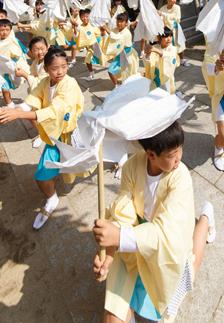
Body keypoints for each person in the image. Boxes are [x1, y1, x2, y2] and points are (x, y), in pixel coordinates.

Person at [92, 121, 215, 323]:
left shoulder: (181, 176)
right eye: (171, 154)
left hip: (167, 243)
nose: (179, 158)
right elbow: (123, 212)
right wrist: (109, 253)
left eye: (180, 149)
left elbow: (166, 232)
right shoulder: (132, 165)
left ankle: (206, 217)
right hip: (135, 244)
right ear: (151, 155)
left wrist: (119, 237)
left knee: (191, 263)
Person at [0, 47, 85, 229]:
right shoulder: (45, 82)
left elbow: (56, 111)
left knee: (81, 163)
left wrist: (17, 115)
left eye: (64, 66)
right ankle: (52, 199)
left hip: (67, 132)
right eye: (54, 68)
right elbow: (31, 102)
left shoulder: (70, 84)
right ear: (46, 69)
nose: (60, 72)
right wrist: (15, 111)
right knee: (49, 173)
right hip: (56, 135)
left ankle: (119, 159)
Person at [14, 36, 49, 149]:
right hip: (39, 93)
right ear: (31, 51)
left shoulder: (48, 62)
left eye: (42, 48)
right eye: (35, 49)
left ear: (47, 47)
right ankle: (42, 133)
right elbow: (33, 75)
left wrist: (24, 74)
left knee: (35, 115)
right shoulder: (36, 62)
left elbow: (41, 82)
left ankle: (46, 134)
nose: (39, 52)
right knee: (33, 116)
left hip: (48, 93)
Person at [0, 19, 29, 107]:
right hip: (3, 69)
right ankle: (9, 104)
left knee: (28, 80)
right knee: (5, 89)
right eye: (2, 30)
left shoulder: (10, 40)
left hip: (15, 66)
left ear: (10, 30)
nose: (5, 32)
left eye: (7, 30)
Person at [102, 11, 139, 88]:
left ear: (126, 23)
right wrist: (103, 31)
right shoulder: (115, 30)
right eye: (118, 21)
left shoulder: (127, 32)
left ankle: (143, 75)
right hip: (120, 54)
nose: (119, 23)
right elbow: (109, 38)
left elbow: (117, 39)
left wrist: (106, 29)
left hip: (128, 55)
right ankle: (117, 85)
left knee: (130, 73)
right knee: (111, 71)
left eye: (121, 22)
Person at [71, 8, 106, 81]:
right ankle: (91, 72)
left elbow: (87, 32)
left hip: (100, 43)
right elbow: (77, 36)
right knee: (88, 60)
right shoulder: (81, 26)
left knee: (108, 57)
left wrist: (76, 24)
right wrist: (74, 27)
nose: (85, 18)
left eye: (87, 16)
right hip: (91, 46)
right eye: (83, 16)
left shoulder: (92, 23)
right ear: (80, 18)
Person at [158, 0, 190, 67]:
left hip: (175, 30)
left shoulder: (177, 7)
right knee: (166, 46)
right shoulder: (163, 8)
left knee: (180, 45)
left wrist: (162, 14)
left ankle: (181, 60)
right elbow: (160, 17)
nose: (174, 1)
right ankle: (168, 60)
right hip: (166, 31)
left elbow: (174, 17)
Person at [144, 26, 179, 94]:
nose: (169, 39)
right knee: (154, 93)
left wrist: (156, 50)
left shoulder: (172, 49)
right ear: (159, 38)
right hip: (156, 75)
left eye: (170, 36)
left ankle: (177, 95)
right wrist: (147, 55)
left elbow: (170, 56)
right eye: (166, 37)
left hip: (166, 76)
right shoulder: (156, 47)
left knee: (167, 94)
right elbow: (149, 61)